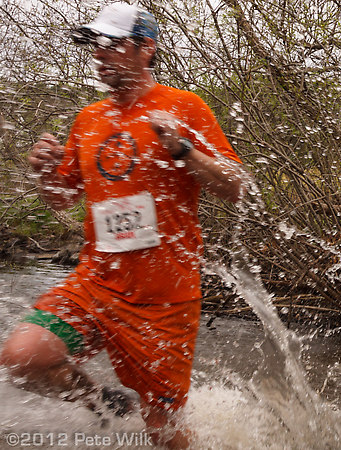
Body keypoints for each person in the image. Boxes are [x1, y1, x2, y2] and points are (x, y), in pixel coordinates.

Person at [0, 3, 248, 448]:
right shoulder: (89, 118)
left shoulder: (183, 106)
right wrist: (43, 174)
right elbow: (61, 198)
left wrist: (182, 149)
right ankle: (103, 402)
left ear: (145, 48)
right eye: (96, 45)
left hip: (163, 296)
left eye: (112, 44)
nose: (100, 54)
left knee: (165, 432)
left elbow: (238, 188)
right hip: (96, 282)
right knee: (22, 358)